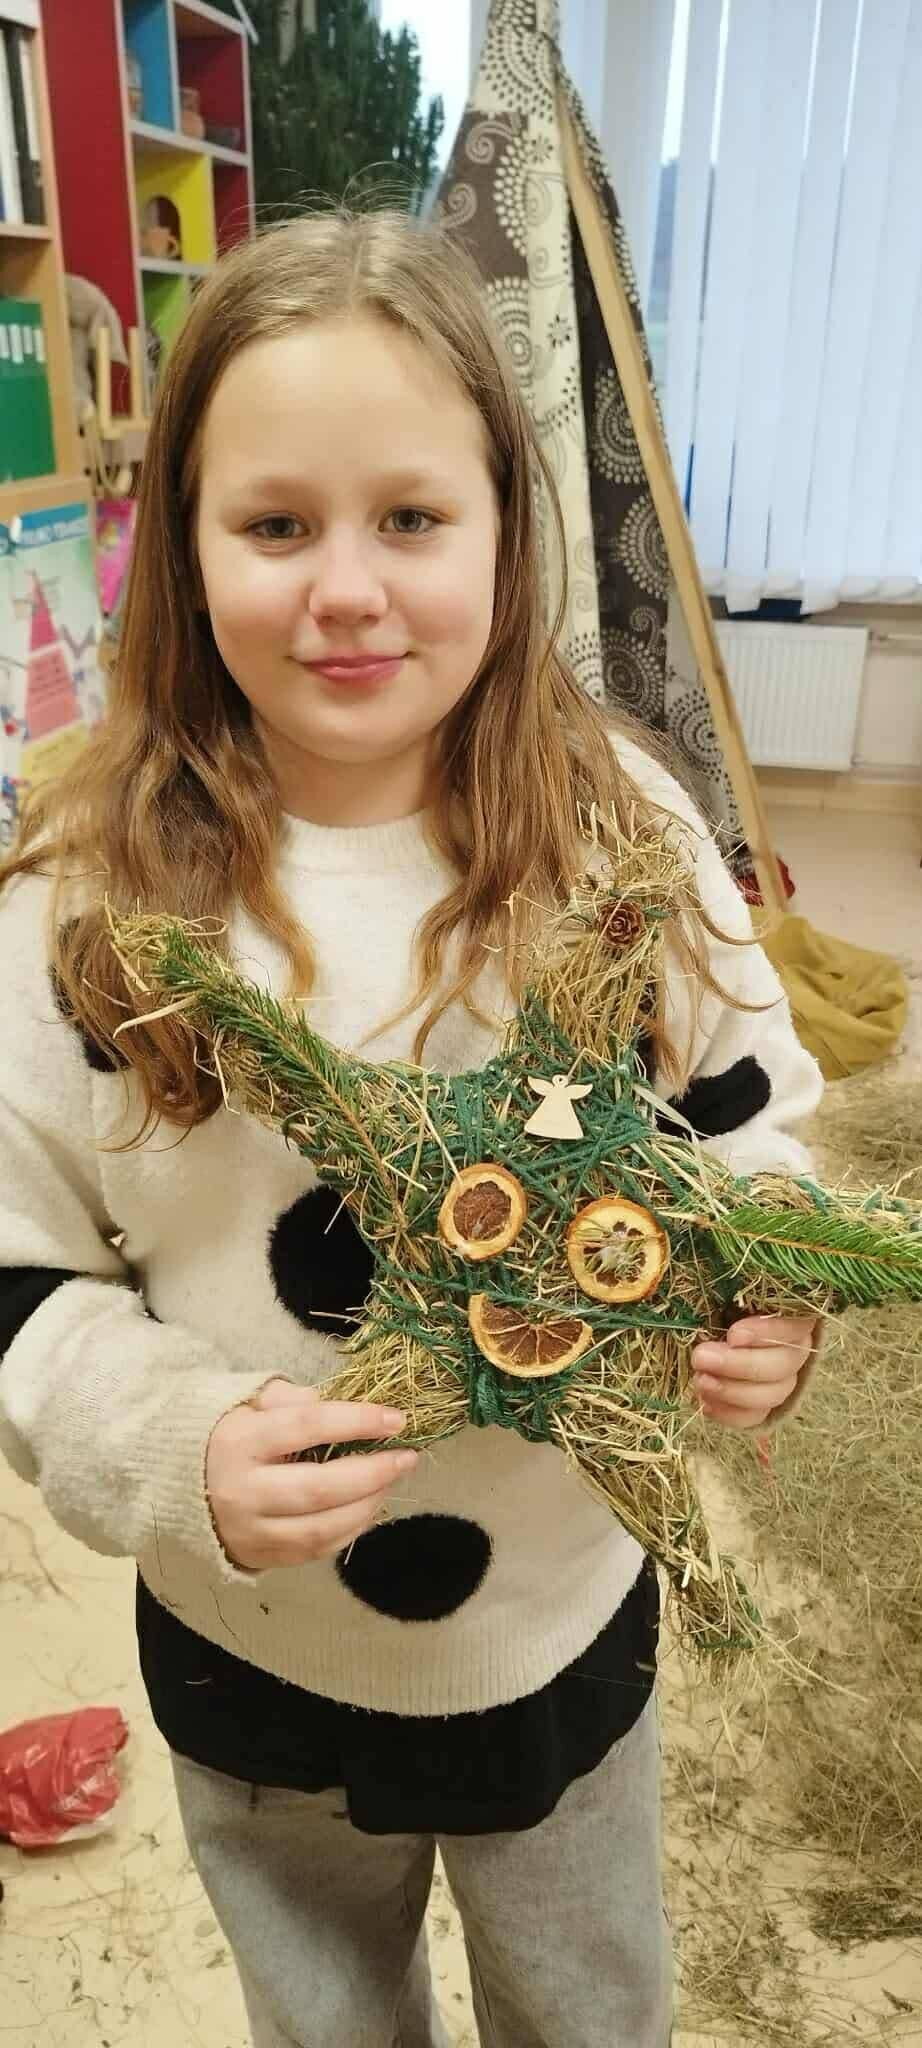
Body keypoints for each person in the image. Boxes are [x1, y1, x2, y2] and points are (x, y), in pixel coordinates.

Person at [0, 212, 822, 2048]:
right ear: (179, 547)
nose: (347, 590)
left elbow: (748, 1124)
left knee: (585, 1998)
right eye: (275, 526)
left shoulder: (619, 825)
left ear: (506, 533)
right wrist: (168, 1441)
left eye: (411, 518)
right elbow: (17, 1271)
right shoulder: (79, 893)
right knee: (319, 2008)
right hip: (253, 1638)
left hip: (551, 1602)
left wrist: (758, 1281)